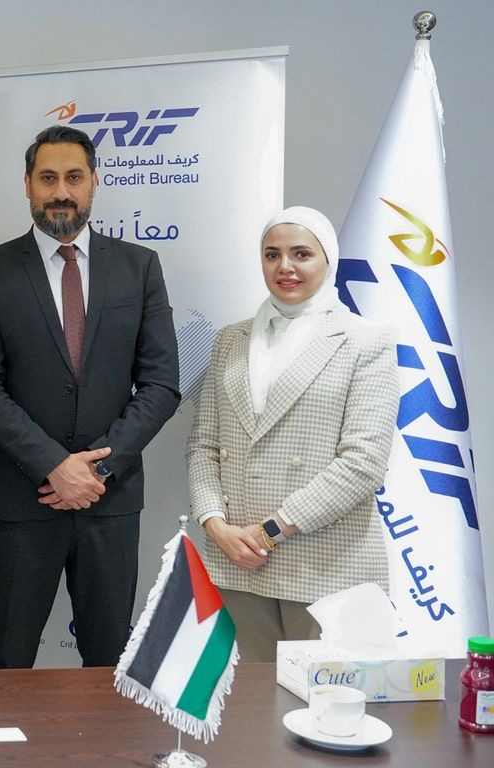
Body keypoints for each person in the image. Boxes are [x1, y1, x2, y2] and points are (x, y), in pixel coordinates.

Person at [0, 125, 180, 669]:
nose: (61, 192)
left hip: (110, 500)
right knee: (8, 661)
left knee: (108, 662)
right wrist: (54, 466)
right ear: (27, 185)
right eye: (48, 178)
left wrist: (95, 470)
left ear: (95, 183)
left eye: (74, 177)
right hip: (20, 500)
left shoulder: (139, 267)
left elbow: (161, 383)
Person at [187, 206, 397, 662]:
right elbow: (204, 445)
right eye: (272, 254)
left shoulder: (365, 340)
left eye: (301, 254)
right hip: (235, 563)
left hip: (326, 563)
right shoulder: (229, 340)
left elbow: (363, 464)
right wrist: (215, 525)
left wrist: (270, 532)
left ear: (328, 260)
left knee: (328, 699)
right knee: (247, 702)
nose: (285, 266)